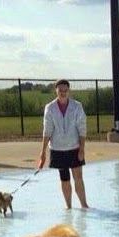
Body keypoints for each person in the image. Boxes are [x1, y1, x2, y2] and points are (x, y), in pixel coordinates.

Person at [37, 79, 89, 209]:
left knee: (78, 178)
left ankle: (84, 205)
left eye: (65, 90)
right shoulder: (50, 108)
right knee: (64, 179)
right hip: (58, 149)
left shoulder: (77, 106)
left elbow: (82, 128)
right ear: (56, 91)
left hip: (74, 147)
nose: (63, 93)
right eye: (60, 90)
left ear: (69, 91)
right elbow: (47, 130)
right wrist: (43, 152)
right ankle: (69, 207)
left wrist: (82, 148)